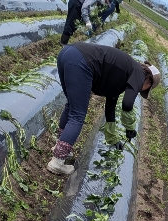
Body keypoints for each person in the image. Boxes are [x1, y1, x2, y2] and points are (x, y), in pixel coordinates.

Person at [48, 42, 161, 176]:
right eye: (145, 89)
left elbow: (110, 109)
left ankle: (59, 147)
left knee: (72, 107)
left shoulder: (124, 74)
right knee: (77, 115)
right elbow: (127, 103)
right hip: (81, 61)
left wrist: (114, 139)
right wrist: (130, 127)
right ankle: (57, 162)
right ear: (148, 82)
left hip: (68, 53)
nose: (140, 90)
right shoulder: (139, 73)